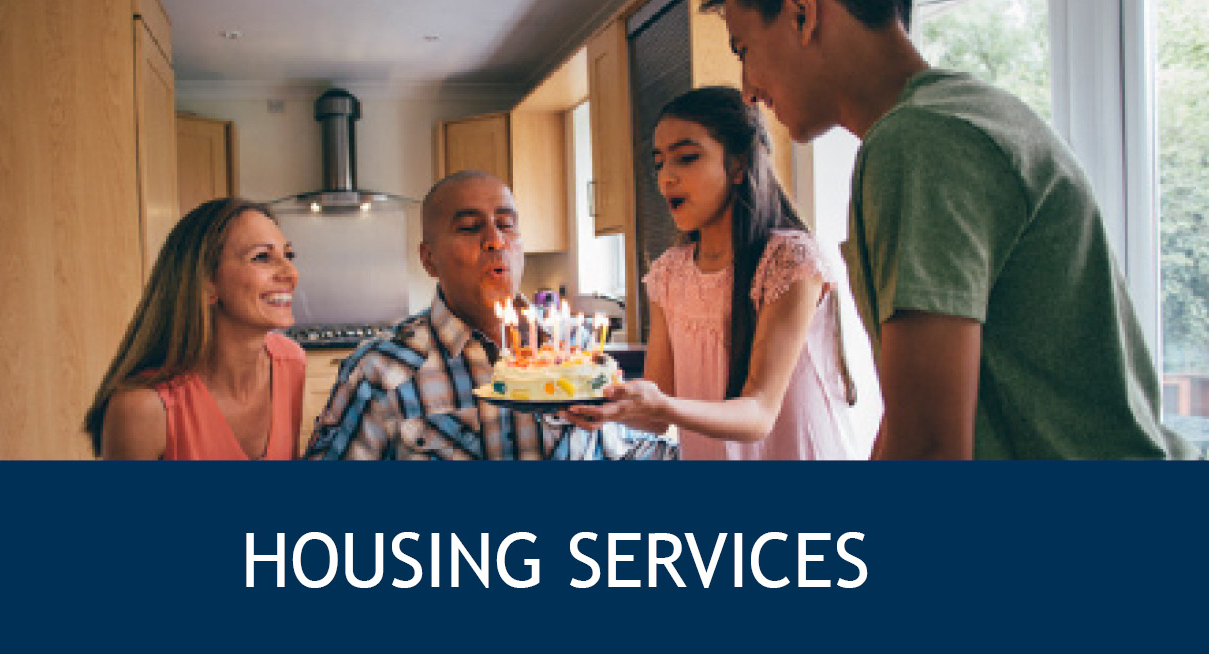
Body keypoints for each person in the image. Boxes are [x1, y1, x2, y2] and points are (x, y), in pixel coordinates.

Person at [702, 0, 1198, 459]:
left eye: (744, 50)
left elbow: (931, 452)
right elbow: (909, 419)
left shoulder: (918, 143)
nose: (747, 88)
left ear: (802, 14)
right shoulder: (965, 112)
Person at [564, 86, 868, 460]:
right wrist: (594, 398)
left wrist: (661, 405)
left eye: (686, 158)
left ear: (739, 164)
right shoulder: (669, 274)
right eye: (659, 163)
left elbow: (758, 414)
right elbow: (657, 415)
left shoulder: (789, 260)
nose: (666, 178)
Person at [305, 170, 671, 460]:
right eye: (469, 227)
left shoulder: (574, 349)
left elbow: (623, 452)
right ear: (429, 259)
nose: (495, 240)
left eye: (506, 224)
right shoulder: (380, 372)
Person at [83, 197, 306, 460]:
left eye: (288, 255)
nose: (291, 273)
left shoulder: (291, 364)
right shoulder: (142, 409)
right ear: (207, 282)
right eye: (262, 257)